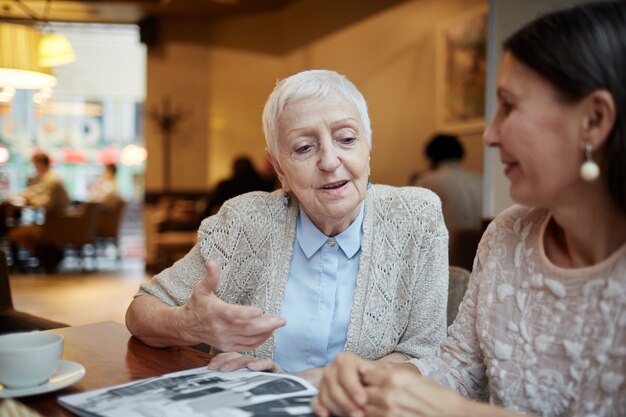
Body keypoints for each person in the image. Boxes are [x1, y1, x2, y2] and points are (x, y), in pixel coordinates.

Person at [313, 2, 626, 416]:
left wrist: (456, 412)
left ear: (594, 120)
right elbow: (456, 368)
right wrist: (365, 379)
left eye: (509, 106)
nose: (490, 135)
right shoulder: (507, 235)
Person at [125, 69, 449, 384]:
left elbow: (425, 355)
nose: (329, 160)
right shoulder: (244, 221)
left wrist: (306, 381)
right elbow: (141, 311)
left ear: (368, 147)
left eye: (347, 139)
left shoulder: (415, 217)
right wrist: (187, 324)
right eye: (304, 148)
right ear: (280, 168)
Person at [414, 133, 482, 233]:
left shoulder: (427, 182)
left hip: (447, 246)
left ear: (431, 157)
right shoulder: (480, 180)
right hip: (483, 244)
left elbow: (413, 221)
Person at [201, 155, 270, 218]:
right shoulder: (262, 184)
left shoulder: (225, 186)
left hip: (231, 221)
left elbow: (210, 205)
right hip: (256, 220)